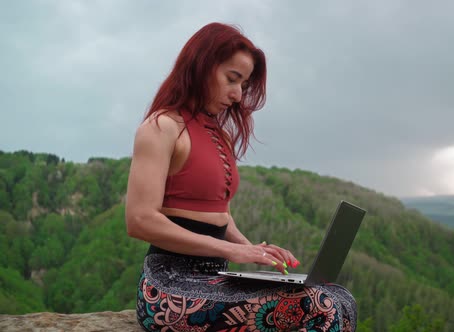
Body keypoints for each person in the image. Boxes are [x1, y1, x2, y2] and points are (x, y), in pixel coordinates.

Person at [125, 22, 357, 331]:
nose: (237, 95)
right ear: (200, 66)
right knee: (320, 306)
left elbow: (219, 215)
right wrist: (232, 251)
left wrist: (255, 251)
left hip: (217, 279)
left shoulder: (219, 134)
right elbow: (139, 220)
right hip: (169, 287)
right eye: (232, 79)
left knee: (340, 298)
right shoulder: (161, 128)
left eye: (243, 84)